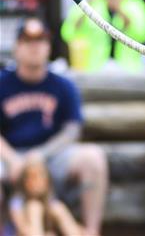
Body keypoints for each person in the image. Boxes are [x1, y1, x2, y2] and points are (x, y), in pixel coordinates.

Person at [0, 18, 108, 236]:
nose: (34, 46)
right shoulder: (2, 83)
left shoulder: (63, 85)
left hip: (51, 155)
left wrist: (41, 154)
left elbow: (72, 130)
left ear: (48, 46)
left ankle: (91, 231)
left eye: (40, 40)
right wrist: (12, 159)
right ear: (17, 47)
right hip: (10, 156)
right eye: (27, 40)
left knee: (93, 158)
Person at [60, 0, 145, 71]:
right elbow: (68, 33)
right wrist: (90, 1)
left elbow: (142, 35)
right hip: (94, 68)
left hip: (128, 69)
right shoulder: (94, 3)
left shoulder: (136, 4)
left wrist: (118, 9)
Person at [8, 153, 85, 236]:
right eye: (32, 177)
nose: (36, 182)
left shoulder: (51, 201)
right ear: (24, 181)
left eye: (41, 177)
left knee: (58, 208)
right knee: (34, 207)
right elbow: (22, 229)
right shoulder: (18, 201)